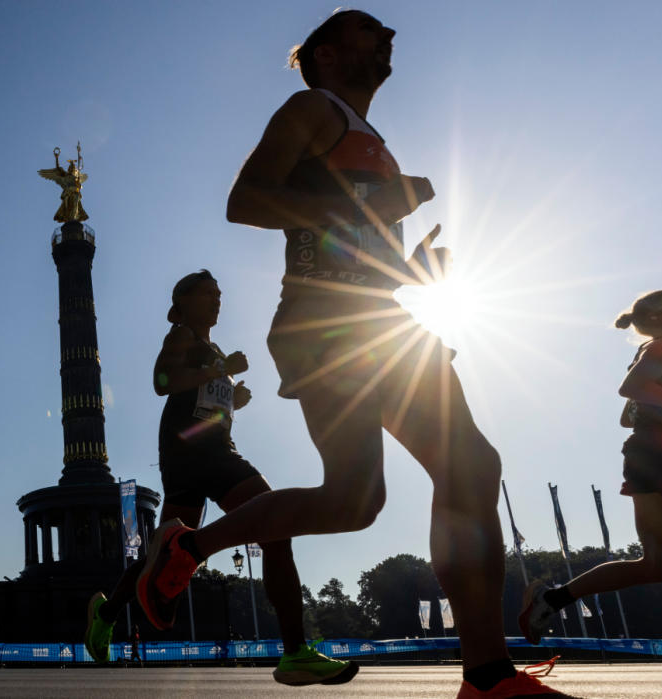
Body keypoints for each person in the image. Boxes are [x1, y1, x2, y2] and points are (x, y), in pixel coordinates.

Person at [135, 11, 572, 698]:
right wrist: (371, 206)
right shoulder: (313, 108)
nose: (386, 35)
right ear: (329, 54)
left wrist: (415, 269)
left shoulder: (371, 139)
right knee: (395, 485)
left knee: (410, 482)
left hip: (375, 317)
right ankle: (188, 548)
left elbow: (357, 245)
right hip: (322, 322)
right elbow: (245, 201)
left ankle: (486, 673)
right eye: (368, 29)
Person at [84, 270, 354, 685]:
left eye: (219, 294)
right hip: (198, 454)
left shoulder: (211, 348)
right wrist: (219, 371)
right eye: (208, 293)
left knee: (163, 554)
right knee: (277, 524)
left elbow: (208, 406)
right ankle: (295, 651)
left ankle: (104, 614)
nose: (217, 300)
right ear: (184, 301)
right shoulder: (182, 337)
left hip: (201, 454)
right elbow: (162, 382)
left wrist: (234, 401)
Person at [520, 291, 662, 642]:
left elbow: (628, 415)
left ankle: (552, 598)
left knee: (659, 566)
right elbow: (630, 388)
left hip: (653, 459)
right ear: (659, 318)